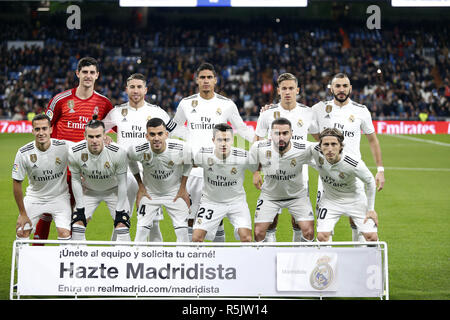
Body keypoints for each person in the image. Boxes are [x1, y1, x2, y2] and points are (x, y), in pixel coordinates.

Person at [34, 57, 113, 244]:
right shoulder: (60, 100)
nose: (88, 76)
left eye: (92, 72)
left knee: (77, 213)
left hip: (85, 169)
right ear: (77, 73)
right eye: (84, 72)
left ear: (97, 76)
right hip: (58, 166)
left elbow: (117, 129)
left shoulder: (104, 103)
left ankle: (68, 255)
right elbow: (44, 128)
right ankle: (36, 251)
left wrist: (107, 137)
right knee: (47, 211)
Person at [173, 62, 254, 241]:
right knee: (190, 217)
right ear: (196, 80)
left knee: (217, 218)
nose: (206, 81)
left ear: (215, 80)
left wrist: (260, 140)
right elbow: (173, 127)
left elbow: (240, 129)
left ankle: (220, 258)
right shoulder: (186, 103)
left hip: (217, 168)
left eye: (209, 77)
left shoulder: (226, 104)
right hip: (194, 170)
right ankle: (192, 257)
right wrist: (189, 137)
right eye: (202, 77)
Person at [103, 73, 182, 242]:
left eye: (139, 87)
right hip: (125, 173)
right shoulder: (117, 112)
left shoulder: (156, 111)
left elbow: (173, 133)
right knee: (122, 219)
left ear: (145, 90)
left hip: (151, 173)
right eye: (132, 87)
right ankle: (115, 259)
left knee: (153, 222)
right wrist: (104, 137)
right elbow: (96, 130)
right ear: (126, 89)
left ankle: (154, 263)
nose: (136, 90)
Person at [309, 73, 384, 242]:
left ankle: (359, 260)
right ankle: (326, 264)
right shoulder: (319, 109)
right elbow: (303, 123)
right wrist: (327, 148)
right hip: (328, 174)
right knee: (324, 229)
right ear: (331, 89)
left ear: (350, 88)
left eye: (345, 86)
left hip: (354, 171)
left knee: (359, 220)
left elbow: (373, 140)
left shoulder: (361, 110)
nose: (341, 89)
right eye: (338, 86)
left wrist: (380, 169)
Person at [253, 72, 314, 242]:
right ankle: (270, 259)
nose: (288, 92)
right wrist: (256, 171)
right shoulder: (267, 114)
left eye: (291, 88)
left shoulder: (308, 113)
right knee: (271, 221)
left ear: (298, 90)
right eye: (284, 88)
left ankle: (297, 259)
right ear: (278, 90)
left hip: (300, 175)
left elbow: (320, 140)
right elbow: (256, 142)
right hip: (272, 174)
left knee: (299, 222)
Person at [250, 118, 315, 242]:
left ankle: (300, 258)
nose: (281, 137)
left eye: (285, 133)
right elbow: (251, 160)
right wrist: (255, 172)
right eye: (277, 133)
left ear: (291, 133)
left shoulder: (304, 148)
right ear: (271, 134)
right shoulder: (259, 147)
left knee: (309, 232)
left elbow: (323, 155)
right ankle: (268, 258)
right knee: (258, 233)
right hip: (270, 196)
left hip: (297, 196)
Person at [127, 118, 191, 242]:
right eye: (152, 134)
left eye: (160, 134)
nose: (156, 138)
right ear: (146, 136)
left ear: (166, 134)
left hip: (175, 193)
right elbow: (130, 159)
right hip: (150, 193)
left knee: (183, 233)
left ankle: (183, 261)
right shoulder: (138, 150)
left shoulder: (181, 148)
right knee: (140, 233)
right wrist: (140, 186)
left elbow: (189, 161)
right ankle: (138, 260)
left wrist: (183, 188)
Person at [68, 116, 130, 242]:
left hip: (114, 191)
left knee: (122, 226)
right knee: (76, 226)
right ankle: (82, 259)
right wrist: (79, 208)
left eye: (98, 136)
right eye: (91, 137)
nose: (94, 140)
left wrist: (119, 210)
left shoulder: (118, 152)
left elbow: (123, 183)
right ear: (85, 135)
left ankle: (124, 260)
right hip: (89, 191)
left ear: (104, 135)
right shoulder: (74, 151)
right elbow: (75, 180)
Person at [310, 128, 379, 242]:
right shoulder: (314, 152)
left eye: (334, 144)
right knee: (322, 236)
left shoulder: (353, 163)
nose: (330, 149)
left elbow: (370, 181)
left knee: (371, 237)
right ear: (320, 146)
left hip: (355, 200)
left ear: (341, 146)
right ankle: (326, 260)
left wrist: (371, 209)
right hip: (330, 200)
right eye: (326, 144)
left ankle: (368, 258)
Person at [191, 123, 256, 242]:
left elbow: (259, 166)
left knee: (246, 238)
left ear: (232, 140)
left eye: (227, 140)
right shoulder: (203, 154)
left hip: (236, 203)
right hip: (211, 202)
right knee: (196, 238)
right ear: (213, 140)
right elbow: (189, 165)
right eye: (220, 140)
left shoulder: (243, 156)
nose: (223, 143)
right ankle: (202, 261)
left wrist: (256, 174)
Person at [13, 114, 71, 243]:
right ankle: (21, 264)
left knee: (64, 233)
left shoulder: (63, 146)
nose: (41, 132)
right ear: (32, 131)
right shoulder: (23, 152)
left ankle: (64, 264)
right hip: (35, 198)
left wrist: (105, 139)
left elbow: (84, 147)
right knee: (22, 232)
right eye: (37, 129)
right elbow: (17, 182)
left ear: (50, 129)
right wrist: (22, 214)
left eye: (44, 128)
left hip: (59, 198)